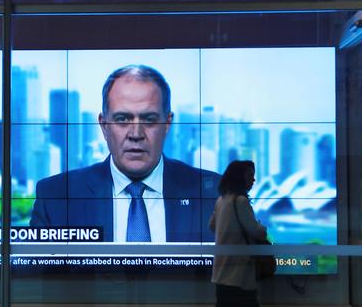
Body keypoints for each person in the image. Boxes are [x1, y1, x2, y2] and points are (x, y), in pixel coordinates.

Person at [30, 65, 220, 242]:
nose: (136, 134)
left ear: (167, 123)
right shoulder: (56, 197)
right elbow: (38, 278)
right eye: (122, 119)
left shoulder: (216, 195)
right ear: (104, 126)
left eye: (149, 120)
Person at [209, 160, 268, 307]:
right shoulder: (240, 201)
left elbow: (212, 226)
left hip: (221, 274)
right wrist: (262, 227)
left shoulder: (221, 200)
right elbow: (257, 232)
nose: (253, 179)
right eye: (249, 175)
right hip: (238, 276)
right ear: (239, 177)